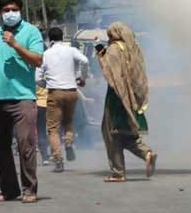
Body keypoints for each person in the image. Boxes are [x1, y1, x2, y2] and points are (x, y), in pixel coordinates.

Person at [0, 0, 44, 203]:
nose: (10, 13)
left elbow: (38, 59)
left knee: (25, 144)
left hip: (23, 98)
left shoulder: (31, 31)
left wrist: (16, 45)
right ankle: (9, 188)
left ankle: (29, 189)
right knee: (0, 146)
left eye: (14, 9)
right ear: (1, 12)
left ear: (20, 10)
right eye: (6, 10)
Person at [98, 22, 157, 182]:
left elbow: (111, 72)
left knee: (111, 132)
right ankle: (146, 153)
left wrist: (101, 56)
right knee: (127, 131)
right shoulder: (133, 47)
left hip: (117, 96)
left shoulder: (114, 49)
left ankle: (118, 172)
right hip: (133, 95)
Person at [40, 27, 88, 173]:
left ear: (49, 39)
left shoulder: (46, 54)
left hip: (55, 92)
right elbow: (85, 60)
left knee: (53, 129)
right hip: (71, 91)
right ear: (62, 37)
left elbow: (37, 77)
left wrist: (46, 84)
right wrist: (81, 77)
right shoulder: (71, 51)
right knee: (68, 122)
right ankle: (68, 142)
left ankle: (58, 160)